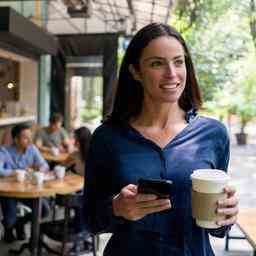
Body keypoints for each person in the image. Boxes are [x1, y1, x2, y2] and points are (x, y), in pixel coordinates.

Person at [83, 23, 239, 256]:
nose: (172, 74)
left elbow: (217, 228)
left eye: (178, 61)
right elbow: (91, 221)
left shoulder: (213, 134)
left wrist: (226, 215)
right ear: (136, 72)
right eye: (157, 63)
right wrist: (117, 208)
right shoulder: (107, 138)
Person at [0, 123, 50, 243]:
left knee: (44, 210)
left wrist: (38, 169)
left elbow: (45, 165)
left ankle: (20, 223)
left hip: (28, 191)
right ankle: (9, 228)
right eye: (25, 137)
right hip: (9, 192)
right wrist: (16, 172)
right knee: (9, 220)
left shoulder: (32, 149)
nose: (29, 140)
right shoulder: (4, 150)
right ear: (16, 139)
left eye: (30, 137)